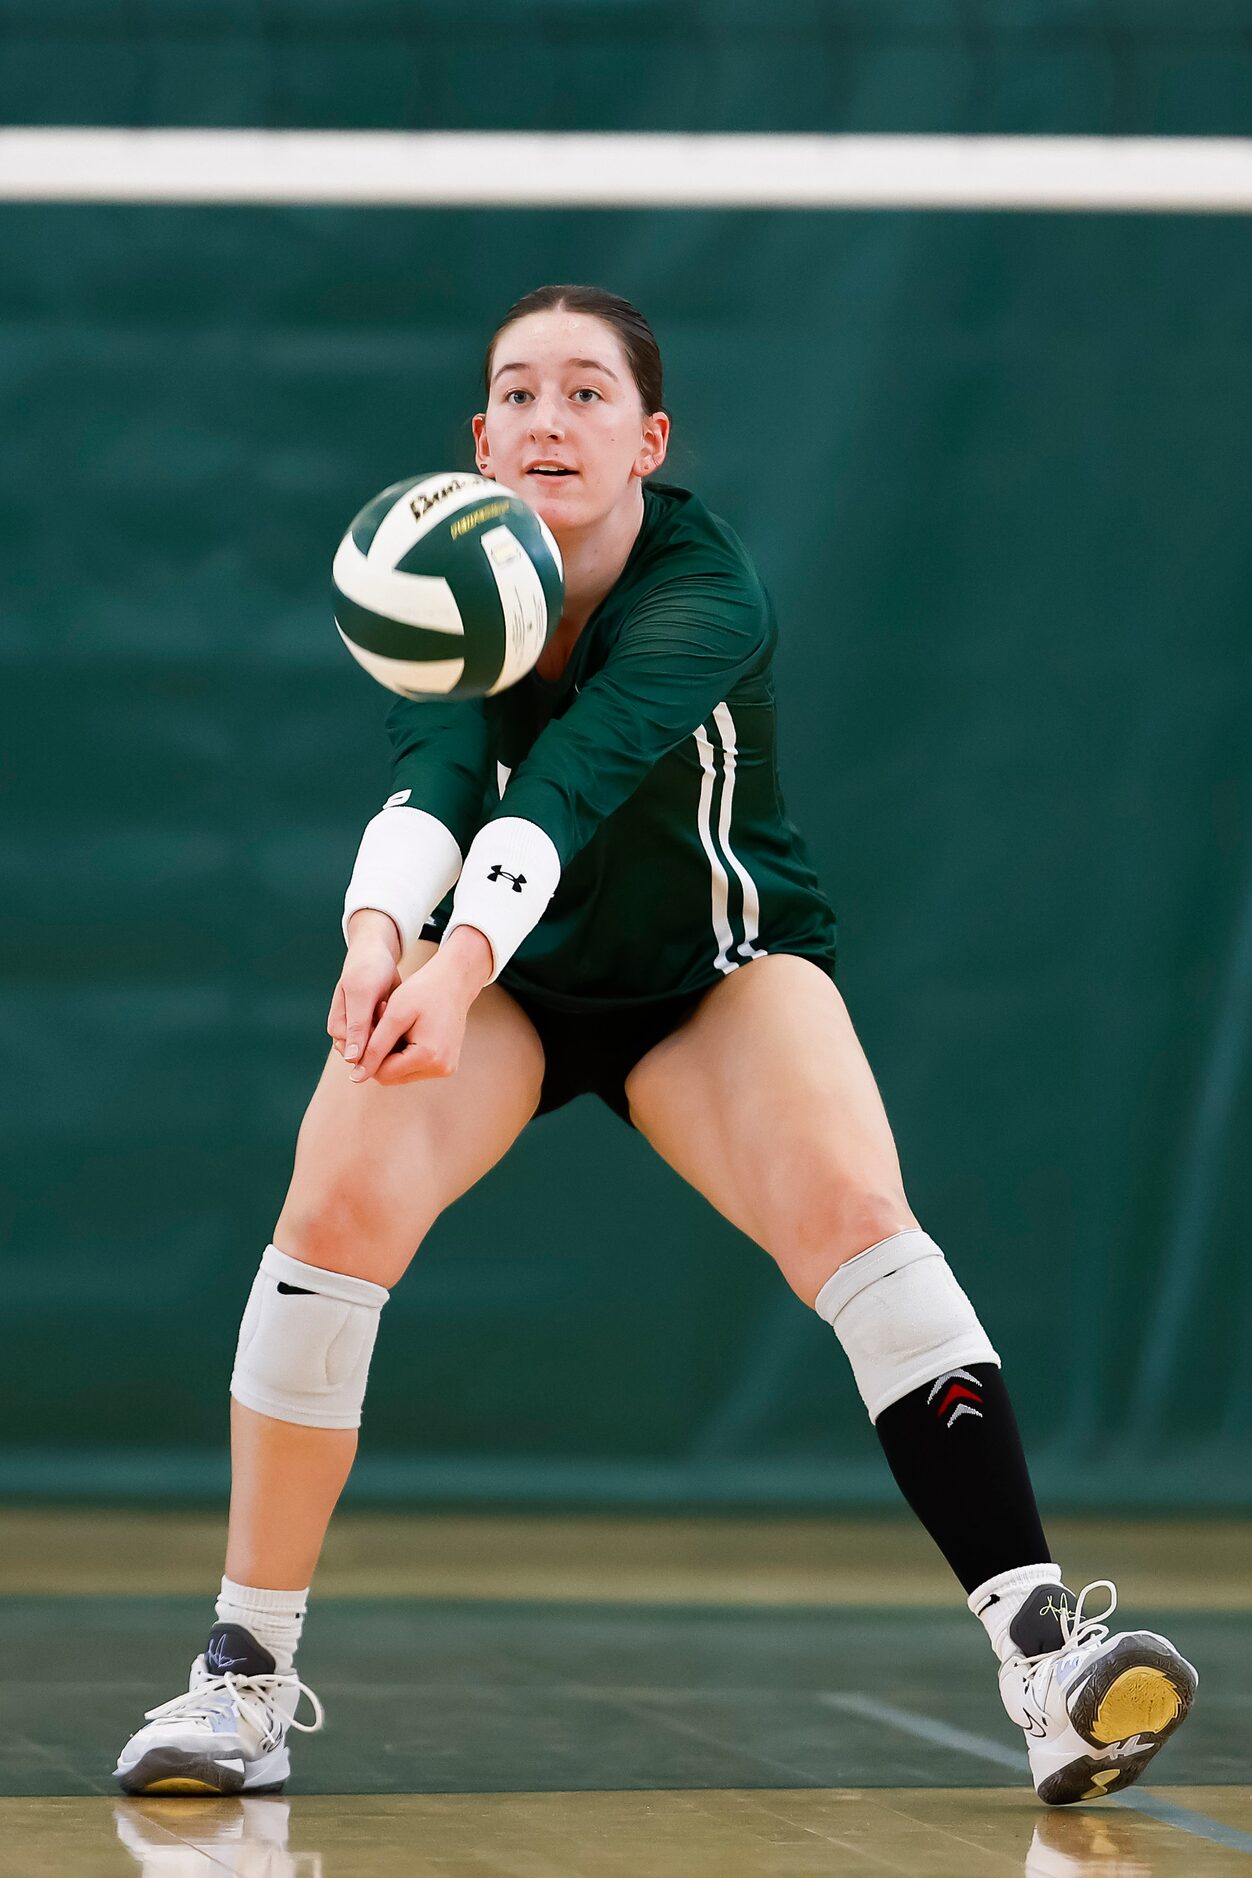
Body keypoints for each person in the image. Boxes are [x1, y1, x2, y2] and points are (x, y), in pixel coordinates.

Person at [114, 284, 1196, 1807]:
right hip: (503, 989)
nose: (549, 419)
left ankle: (1045, 1656)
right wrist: (377, 946)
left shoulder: (705, 588)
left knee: (860, 1221)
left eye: (587, 393)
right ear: (477, 437)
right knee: (332, 1210)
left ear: (649, 438)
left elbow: (564, 784)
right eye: (518, 393)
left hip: (711, 974)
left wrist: (456, 954)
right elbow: (433, 781)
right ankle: (242, 1677)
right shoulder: (447, 581)